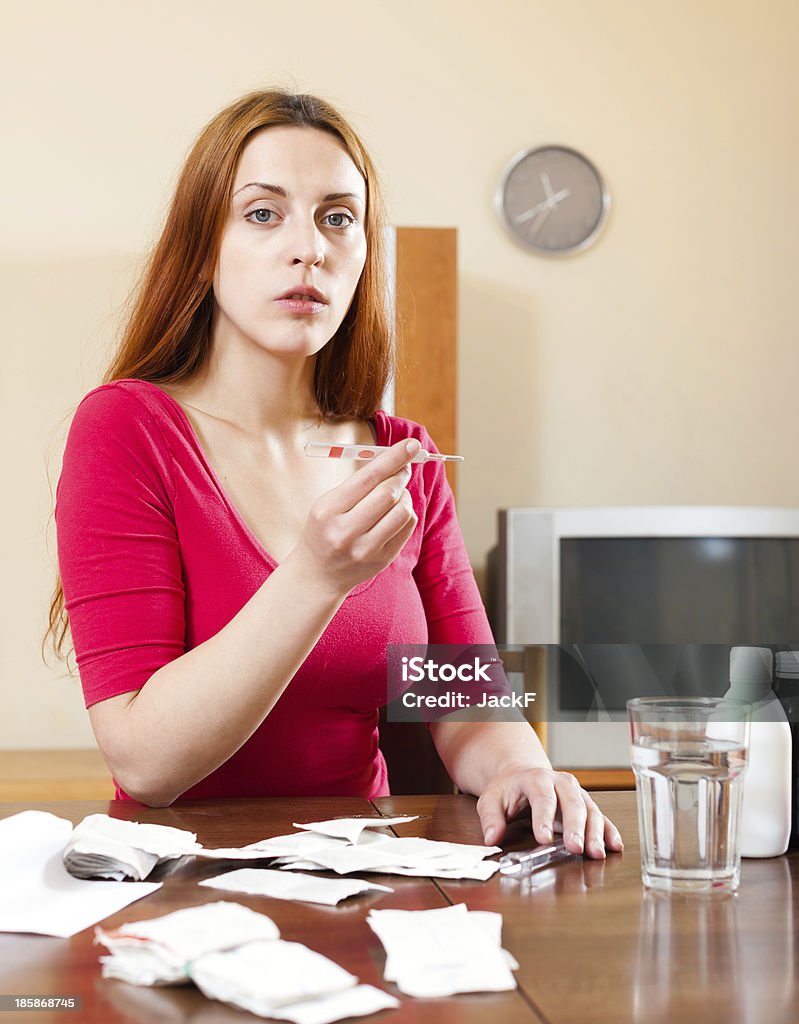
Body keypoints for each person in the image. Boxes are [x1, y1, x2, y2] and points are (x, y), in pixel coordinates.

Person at [47, 89, 622, 859]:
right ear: (201, 243)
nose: (308, 248)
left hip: (362, 870)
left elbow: (465, 701)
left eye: (336, 217)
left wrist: (521, 771)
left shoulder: (402, 456)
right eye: (262, 213)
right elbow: (147, 764)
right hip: (181, 882)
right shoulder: (126, 429)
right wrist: (314, 577)